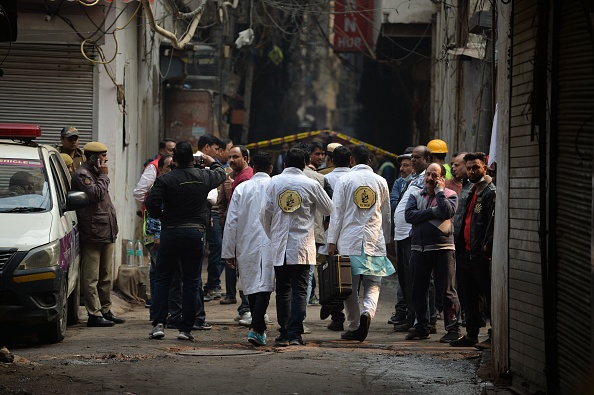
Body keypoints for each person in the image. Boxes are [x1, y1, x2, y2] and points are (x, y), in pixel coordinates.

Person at [146, 141, 225, 341]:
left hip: (170, 233)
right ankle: (185, 328)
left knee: (163, 278)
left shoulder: (165, 180)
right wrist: (211, 161)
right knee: (191, 280)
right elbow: (221, 174)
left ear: (175, 160)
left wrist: (161, 214)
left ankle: (159, 324)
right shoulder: (204, 176)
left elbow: (152, 204)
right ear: (192, 158)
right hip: (195, 233)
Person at [260, 147, 333, 346]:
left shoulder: (274, 182)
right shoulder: (311, 183)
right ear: (304, 164)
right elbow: (329, 208)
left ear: (284, 164)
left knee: (283, 290)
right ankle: (295, 334)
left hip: (280, 244)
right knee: (300, 290)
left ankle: (283, 333)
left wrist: (272, 234)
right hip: (302, 245)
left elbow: (265, 213)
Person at [327, 145, 394, 342]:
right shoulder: (381, 181)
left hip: (350, 241)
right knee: (373, 284)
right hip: (375, 240)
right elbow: (387, 214)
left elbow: (336, 213)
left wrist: (331, 242)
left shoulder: (345, 180)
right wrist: (387, 239)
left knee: (349, 288)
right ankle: (368, 313)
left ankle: (355, 326)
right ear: (370, 161)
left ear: (351, 160)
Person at [222, 152, 274, 346]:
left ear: (253, 165)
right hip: (269, 241)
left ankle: (257, 327)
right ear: (270, 168)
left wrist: (228, 250)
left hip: (246, 241)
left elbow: (231, 221)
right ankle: (257, 327)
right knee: (265, 284)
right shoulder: (274, 185)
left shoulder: (242, 188)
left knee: (251, 284)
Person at [404, 163, 461, 342]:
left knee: (447, 290)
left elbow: (446, 211)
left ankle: (453, 328)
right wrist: (432, 212)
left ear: (441, 178)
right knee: (418, 290)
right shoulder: (415, 195)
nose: (429, 178)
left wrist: (439, 192)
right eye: (428, 174)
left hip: (442, 249)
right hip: (418, 249)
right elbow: (409, 216)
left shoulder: (450, 195)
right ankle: (422, 326)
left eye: (434, 176)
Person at [72, 142, 123, 327]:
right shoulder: (82, 175)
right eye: (103, 156)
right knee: (91, 277)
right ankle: (93, 314)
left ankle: (106, 310)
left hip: (106, 231)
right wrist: (104, 176)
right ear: (93, 158)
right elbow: (95, 194)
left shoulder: (96, 174)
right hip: (93, 233)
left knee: (106, 275)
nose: (106, 160)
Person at [450, 152, 495, 349]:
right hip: (466, 252)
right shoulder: (472, 191)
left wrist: (487, 246)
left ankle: (494, 335)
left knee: (488, 296)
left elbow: (493, 224)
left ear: (485, 167)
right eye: (468, 168)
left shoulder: (490, 192)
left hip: (480, 254)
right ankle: (471, 335)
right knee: (469, 295)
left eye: (475, 167)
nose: (471, 171)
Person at [392, 145, 434, 333]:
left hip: (412, 236)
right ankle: (411, 317)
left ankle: (424, 320)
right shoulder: (413, 180)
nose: (414, 160)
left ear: (427, 160)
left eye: (417, 157)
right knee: (405, 279)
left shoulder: (427, 178)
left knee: (418, 280)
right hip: (402, 236)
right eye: (413, 157)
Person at [318, 145, 351, 331]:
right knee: (349, 277)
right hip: (352, 236)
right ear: (351, 159)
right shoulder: (356, 178)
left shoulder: (326, 178)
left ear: (329, 159)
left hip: (329, 233)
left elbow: (325, 211)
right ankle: (352, 315)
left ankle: (337, 315)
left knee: (330, 275)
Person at [223, 145, 254, 325]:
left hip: (244, 234)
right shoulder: (237, 177)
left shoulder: (246, 179)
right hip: (242, 234)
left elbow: (237, 215)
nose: (232, 160)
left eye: (236, 157)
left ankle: (249, 309)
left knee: (245, 274)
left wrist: (230, 245)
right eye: (230, 157)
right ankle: (245, 308)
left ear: (246, 158)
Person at [196, 134, 225, 304]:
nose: (217, 152)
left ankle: (212, 285)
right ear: (207, 147)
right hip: (201, 209)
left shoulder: (209, 164)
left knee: (216, 246)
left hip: (211, 210)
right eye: (215, 149)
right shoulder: (198, 162)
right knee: (200, 248)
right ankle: (200, 286)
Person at [387, 148, 414, 326]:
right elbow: (394, 203)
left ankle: (416, 316)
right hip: (401, 234)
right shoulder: (399, 183)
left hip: (413, 235)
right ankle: (403, 311)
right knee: (403, 275)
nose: (402, 169)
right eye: (401, 166)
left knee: (414, 276)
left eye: (407, 165)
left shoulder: (420, 182)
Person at [133, 138, 176, 217]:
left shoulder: (176, 165)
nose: (173, 153)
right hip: (155, 217)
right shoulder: (153, 166)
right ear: (162, 151)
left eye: (175, 150)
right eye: (170, 150)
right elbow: (139, 192)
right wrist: (146, 208)